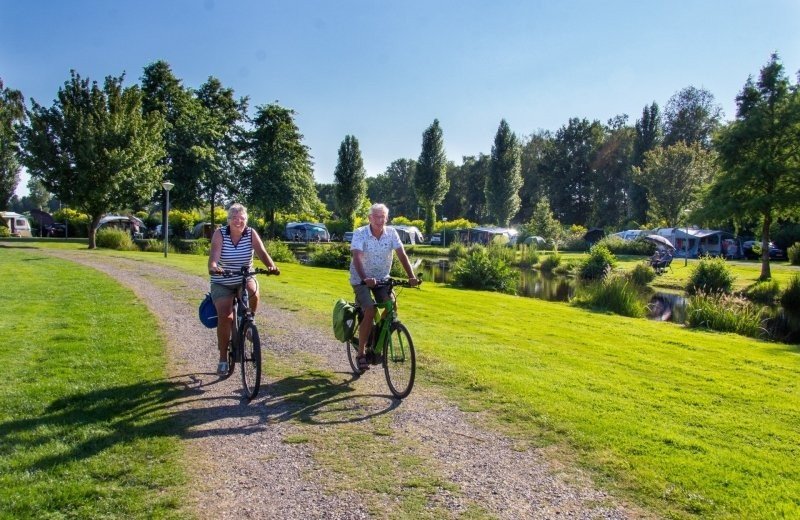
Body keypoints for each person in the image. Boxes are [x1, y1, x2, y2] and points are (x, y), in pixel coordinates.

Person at [208, 203, 279, 374]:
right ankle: (223, 357)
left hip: (244, 277)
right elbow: (214, 256)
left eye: (242, 219)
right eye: (235, 218)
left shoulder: (250, 233)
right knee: (225, 316)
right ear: (229, 220)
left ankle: (248, 322)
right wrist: (214, 266)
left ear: (246, 220)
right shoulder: (220, 234)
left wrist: (271, 266)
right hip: (222, 280)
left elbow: (261, 252)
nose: (238, 221)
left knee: (253, 292)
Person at [349, 203, 420, 371]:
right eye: (377, 217)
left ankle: (375, 337)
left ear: (387, 218)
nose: (380, 220)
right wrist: (365, 278)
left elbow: (401, 254)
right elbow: (357, 257)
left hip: (382, 280)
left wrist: (411, 276)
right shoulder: (360, 233)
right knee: (370, 310)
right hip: (361, 280)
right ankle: (361, 354)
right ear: (370, 218)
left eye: (383, 217)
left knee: (392, 307)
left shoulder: (392, 233)